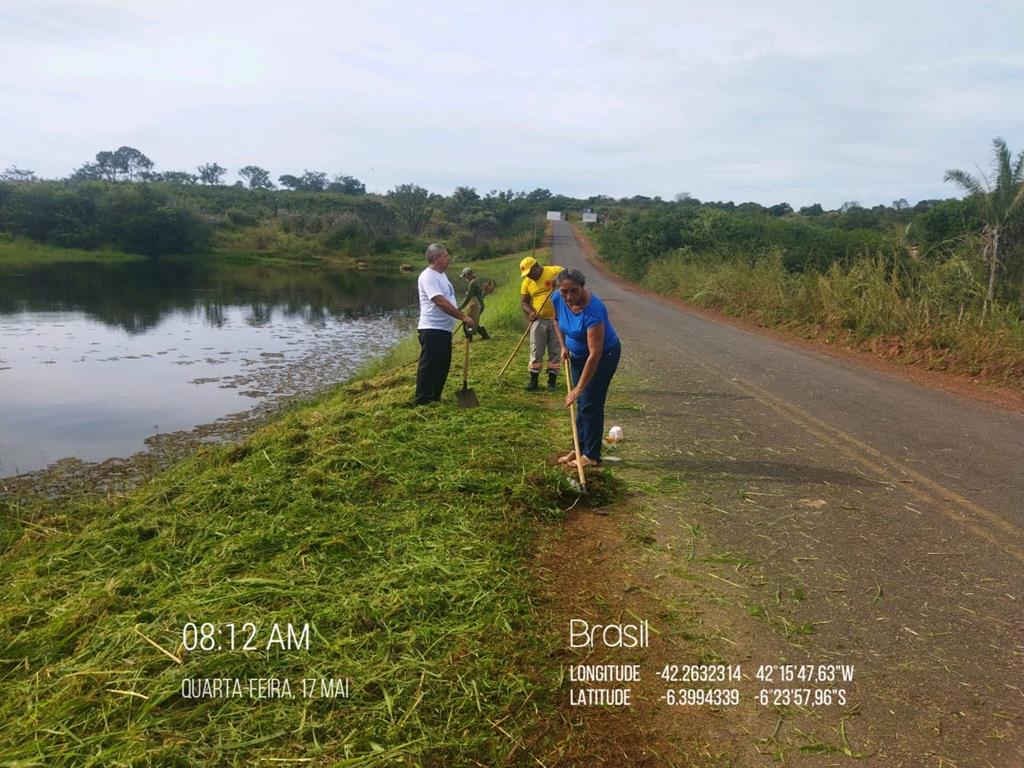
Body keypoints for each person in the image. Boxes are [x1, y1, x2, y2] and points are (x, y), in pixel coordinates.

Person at [551, 268, 621, 468]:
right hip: (578, 356)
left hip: (603, 357)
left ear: (582, 286)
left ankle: (591, 455)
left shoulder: (594, 311)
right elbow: (556, 320)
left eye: (573, 290)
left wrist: (579, 387)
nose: (568, 296)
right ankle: (579, 448)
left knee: (590, 403)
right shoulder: (557, 298)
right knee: (582, 404)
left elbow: (595, 354)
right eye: (564, 292)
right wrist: (563, 346)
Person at [415, 243, 475, 405]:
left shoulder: (441, 275)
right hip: (432, 328)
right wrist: (462, 317)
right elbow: (440, 301)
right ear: (436, 258)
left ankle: (435, 397)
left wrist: (460, 314)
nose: (449, 259)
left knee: (442, 365)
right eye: (445, 256)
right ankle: (422, 400)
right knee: (430, 364)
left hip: (443, 329)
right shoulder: (428, 276)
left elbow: (448, 299)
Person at [519, 255, 563, 391]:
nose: (529, 276)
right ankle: (533, 381)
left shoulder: (554, 271)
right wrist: (531, 312)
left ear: (536, 267)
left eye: (530, 273)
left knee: (555, 350)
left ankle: (552, 382)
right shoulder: (526, 283)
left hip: (557, 320)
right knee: (536, 350)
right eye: (527, 274)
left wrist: (559, 282)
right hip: (538, 320)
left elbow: (570, 277)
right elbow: (524, 302)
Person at [457, 267, 491, 340]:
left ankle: (469, 338)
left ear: (468, 275)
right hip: (479, 304)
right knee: (471, 321)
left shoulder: (472, 283)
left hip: (476, 305)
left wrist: (461, 307)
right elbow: (478, 293)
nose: (465, 278)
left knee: (467, 321)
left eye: (465, 276)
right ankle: (482, 334)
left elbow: (469, 297)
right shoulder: (476, 280)